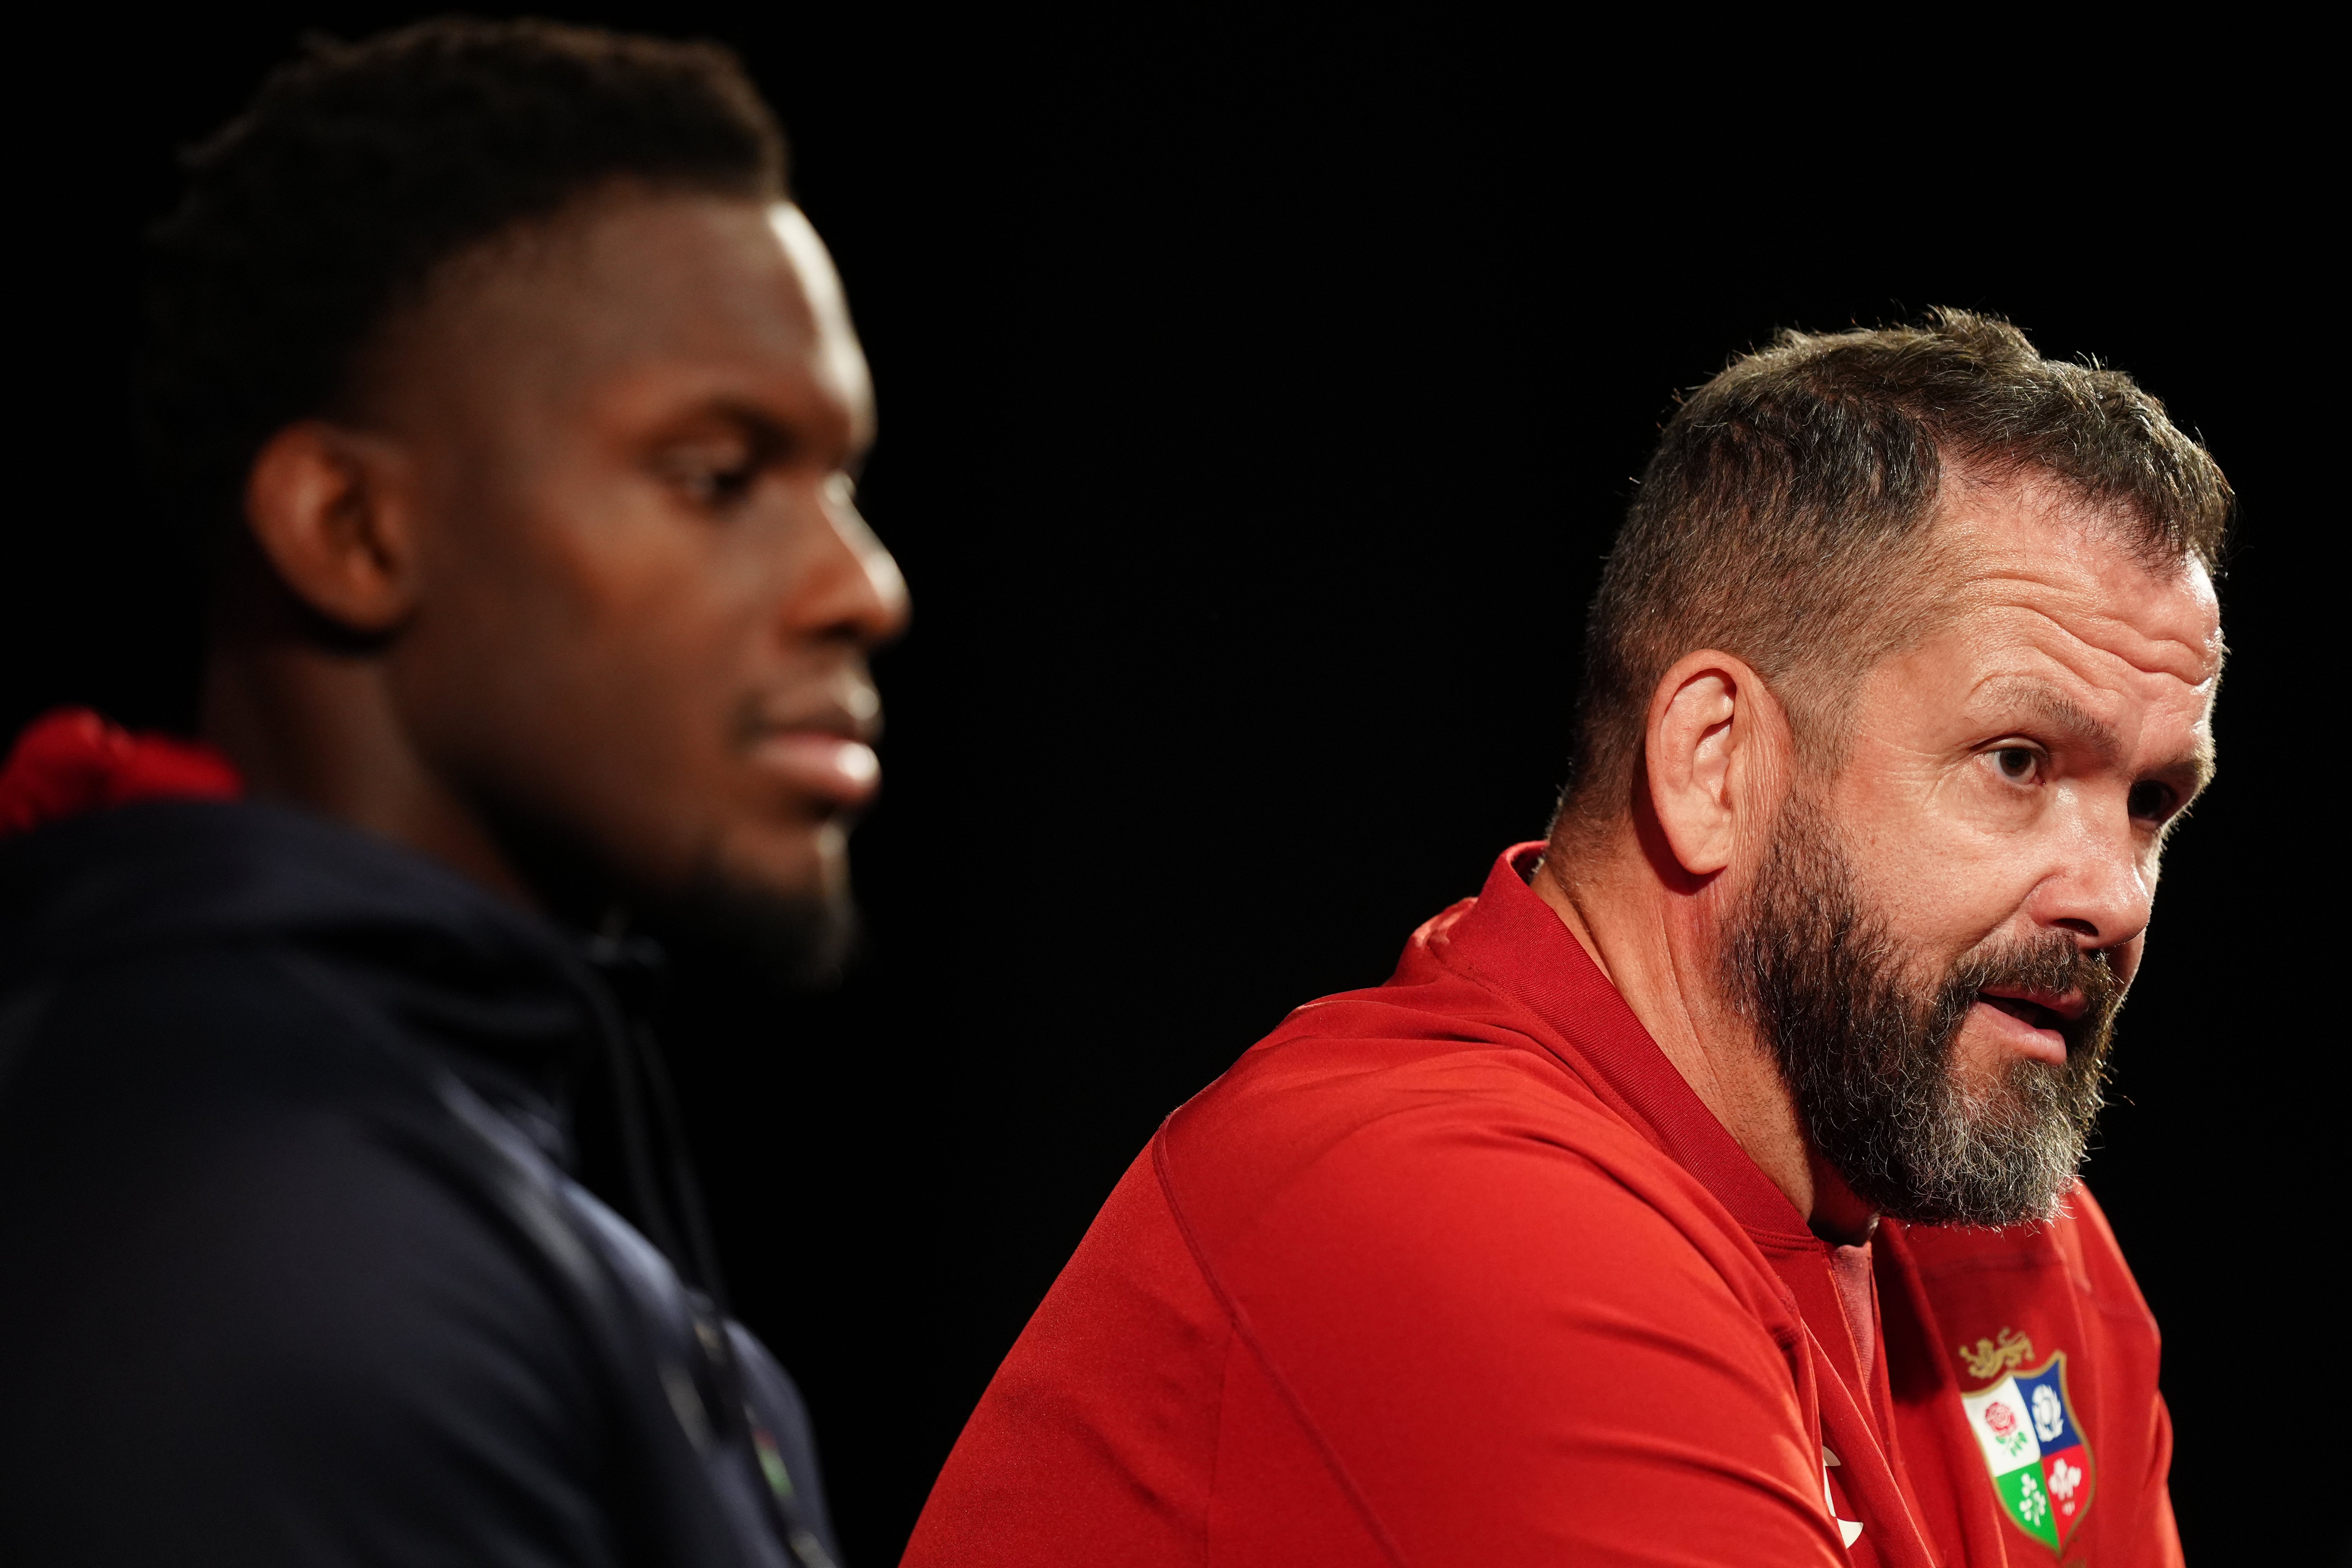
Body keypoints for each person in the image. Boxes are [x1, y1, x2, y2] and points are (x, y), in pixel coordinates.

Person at [903, 311, 2223, 1566]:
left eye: (2154, 801)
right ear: (1717, 763)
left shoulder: (2022, 1247)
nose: (2115, 897)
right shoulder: (1448, 1210)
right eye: (2017, 760)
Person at [0, 20, 905, 1567]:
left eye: (842, 481)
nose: (863, 586)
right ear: (352, 528)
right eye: (716, 474)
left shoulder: (410, 1191)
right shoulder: (281, 1258)